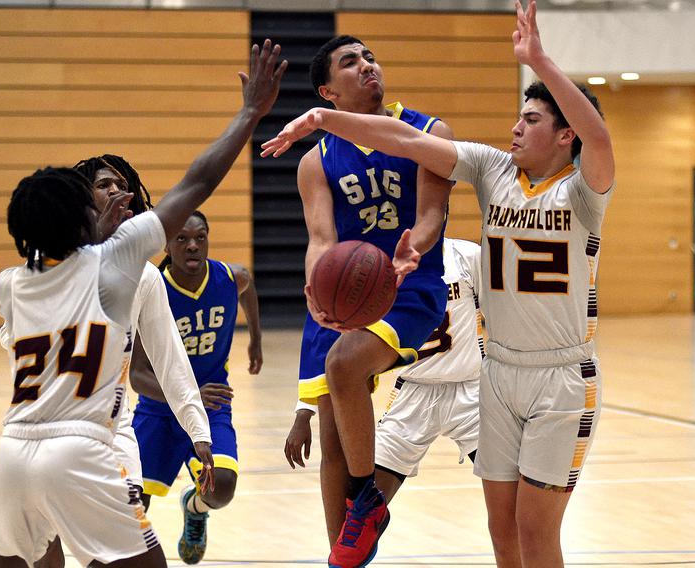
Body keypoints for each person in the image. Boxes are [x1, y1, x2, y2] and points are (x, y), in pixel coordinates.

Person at [263, 2, 615, 565]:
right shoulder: (491, 168)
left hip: (560, 373)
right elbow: (401, 143)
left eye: (530, 120)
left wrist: (540, 63)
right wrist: (320, 120)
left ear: (565, 134)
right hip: (497, 374)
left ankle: (366, 502)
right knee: (505, 533)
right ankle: (361, 510)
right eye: (518, 118)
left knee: (534, 530)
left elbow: (598, 138)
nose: (514, 128)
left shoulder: (584, 194)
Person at [0, 40, 285, 568]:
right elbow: (196, 184)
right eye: (94, 193)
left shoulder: (10, 283)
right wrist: (248, 113)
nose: (111, 196)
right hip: (83, 445)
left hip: (13, 450)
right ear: (79, 215)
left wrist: (196, 429)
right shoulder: (118, 262)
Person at [291, 35, 454, 567]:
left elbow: (431, 214)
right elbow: (321, 238)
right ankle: (344, 556)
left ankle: (368, 499)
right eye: (349, 62)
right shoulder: (316, 160)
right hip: (343, 292)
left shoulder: (428, 132)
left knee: (344, 364)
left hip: (408, 287)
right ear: (326, 92)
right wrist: (317, 285)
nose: (367, 66)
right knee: (333, 444)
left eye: (369, 57)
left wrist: (417, 247)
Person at [33, 154, 211, 568]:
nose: (116, 189)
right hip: (50, 430)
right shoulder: (48, 266)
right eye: (103, 185)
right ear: (81, 202)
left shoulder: (145, 277)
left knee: (135, 555)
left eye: (121, 183)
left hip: (112, 434)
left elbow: (170, 357)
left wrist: (197, 428)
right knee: (47, 548)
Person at [285, 238, 484, 510]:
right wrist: (304, 409)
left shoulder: (468, 255)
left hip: (472, 391)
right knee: (360, 511)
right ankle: (347, 548)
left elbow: (499, 317)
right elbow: (331, 342)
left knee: (510, 495)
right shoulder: (377, 266)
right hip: (414, 393)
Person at [130, 209, 262, 565]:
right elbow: (138, 376)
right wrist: (186, 395)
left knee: (222, 487)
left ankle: (194, 507)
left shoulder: (228, 278)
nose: (192, 246)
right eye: (182, 239)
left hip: (211, 404)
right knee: (131, 506)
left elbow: (247, 285)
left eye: (200, 238)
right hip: (158, 410)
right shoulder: (150, 289)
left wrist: (255, 341)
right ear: (167, 245)